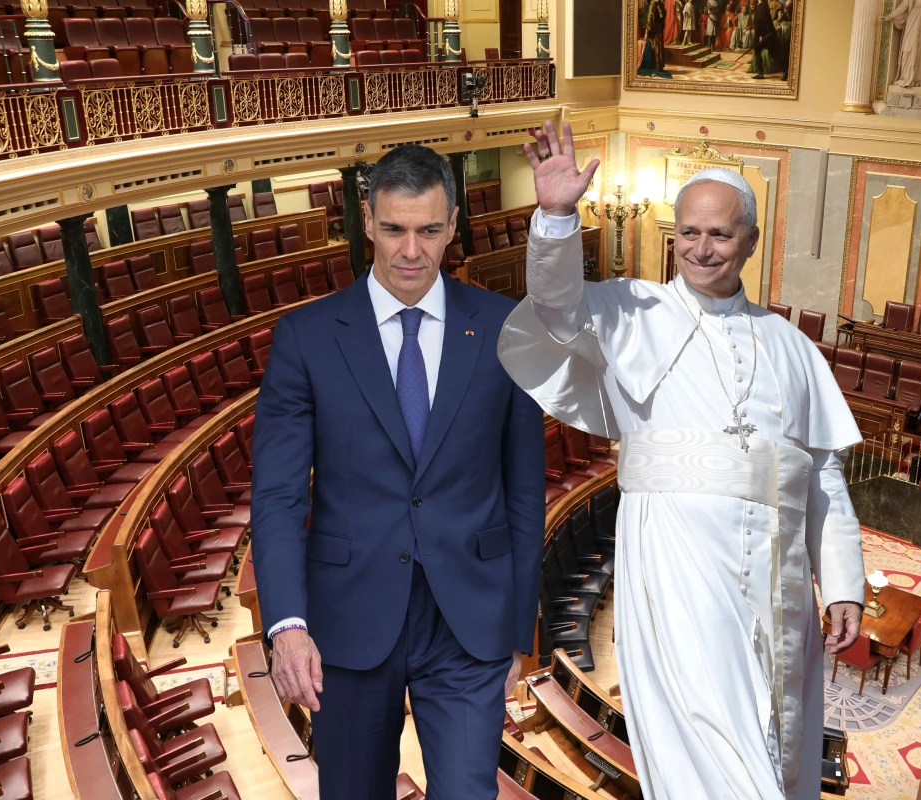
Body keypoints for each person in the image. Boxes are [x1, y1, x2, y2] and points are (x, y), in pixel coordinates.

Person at [498, 122, 866, 800]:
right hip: (678, 562)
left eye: (720, 234)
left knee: (775, 743)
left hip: (779, 579)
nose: (701, 248)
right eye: (688, 232)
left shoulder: (790, 345)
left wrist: (843, 581)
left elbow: (821, 473)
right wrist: (555, 218)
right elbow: (554, 307)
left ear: (750, 240)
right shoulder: (631, 309)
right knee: (712, 749)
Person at [252, 144, 545, 799]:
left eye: (429, 230)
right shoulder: (306, 337)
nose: (411, 251)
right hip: (348, 621)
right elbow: (277, 499)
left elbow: (526, 493)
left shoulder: (505, 329)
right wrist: (287, 624)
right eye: (393, 229)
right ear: (366, 221)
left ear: (453, 225)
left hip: (467, 621)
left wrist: (517, 633)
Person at [750, 0, 775, 77]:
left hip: (763, 34)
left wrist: (761, 35)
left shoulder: (762, 6)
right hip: (761, 34)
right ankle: (760, 73)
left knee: (773, 52)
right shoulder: (760, 5)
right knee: (759, 50)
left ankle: (760, 74)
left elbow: (763, 21)